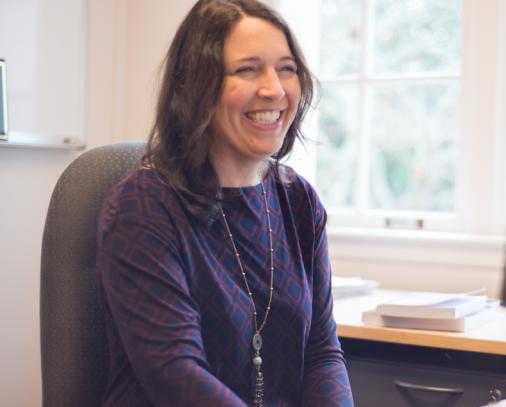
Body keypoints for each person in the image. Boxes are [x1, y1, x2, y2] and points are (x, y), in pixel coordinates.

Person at [95, 1, 354, 405]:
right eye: (248, 69)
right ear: (196, 85)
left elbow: (321, 353)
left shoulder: (299, 201)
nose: (275, 88)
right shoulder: (142, 208)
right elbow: (176, 373)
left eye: (286, 68)